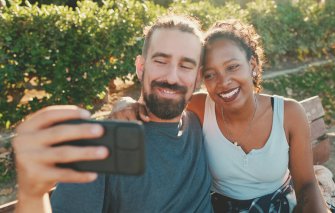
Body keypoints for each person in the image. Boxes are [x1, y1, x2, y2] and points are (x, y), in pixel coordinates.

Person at [113, 20, 330, 213]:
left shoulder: (289, 113)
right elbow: (163, 98)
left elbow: (307, 185)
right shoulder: (199, 106)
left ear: (252, 65)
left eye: (233, 67)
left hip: (280, 205)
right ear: (201, 78)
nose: (223, 81)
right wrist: (125, 103)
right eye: (210, 74)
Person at [12, 15, 213, 213]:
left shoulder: (201, 121)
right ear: (141, 67)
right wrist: (31, 195)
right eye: (161, 61)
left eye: (185, 66)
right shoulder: (99, 145)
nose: (171, 77)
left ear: (197, 78)